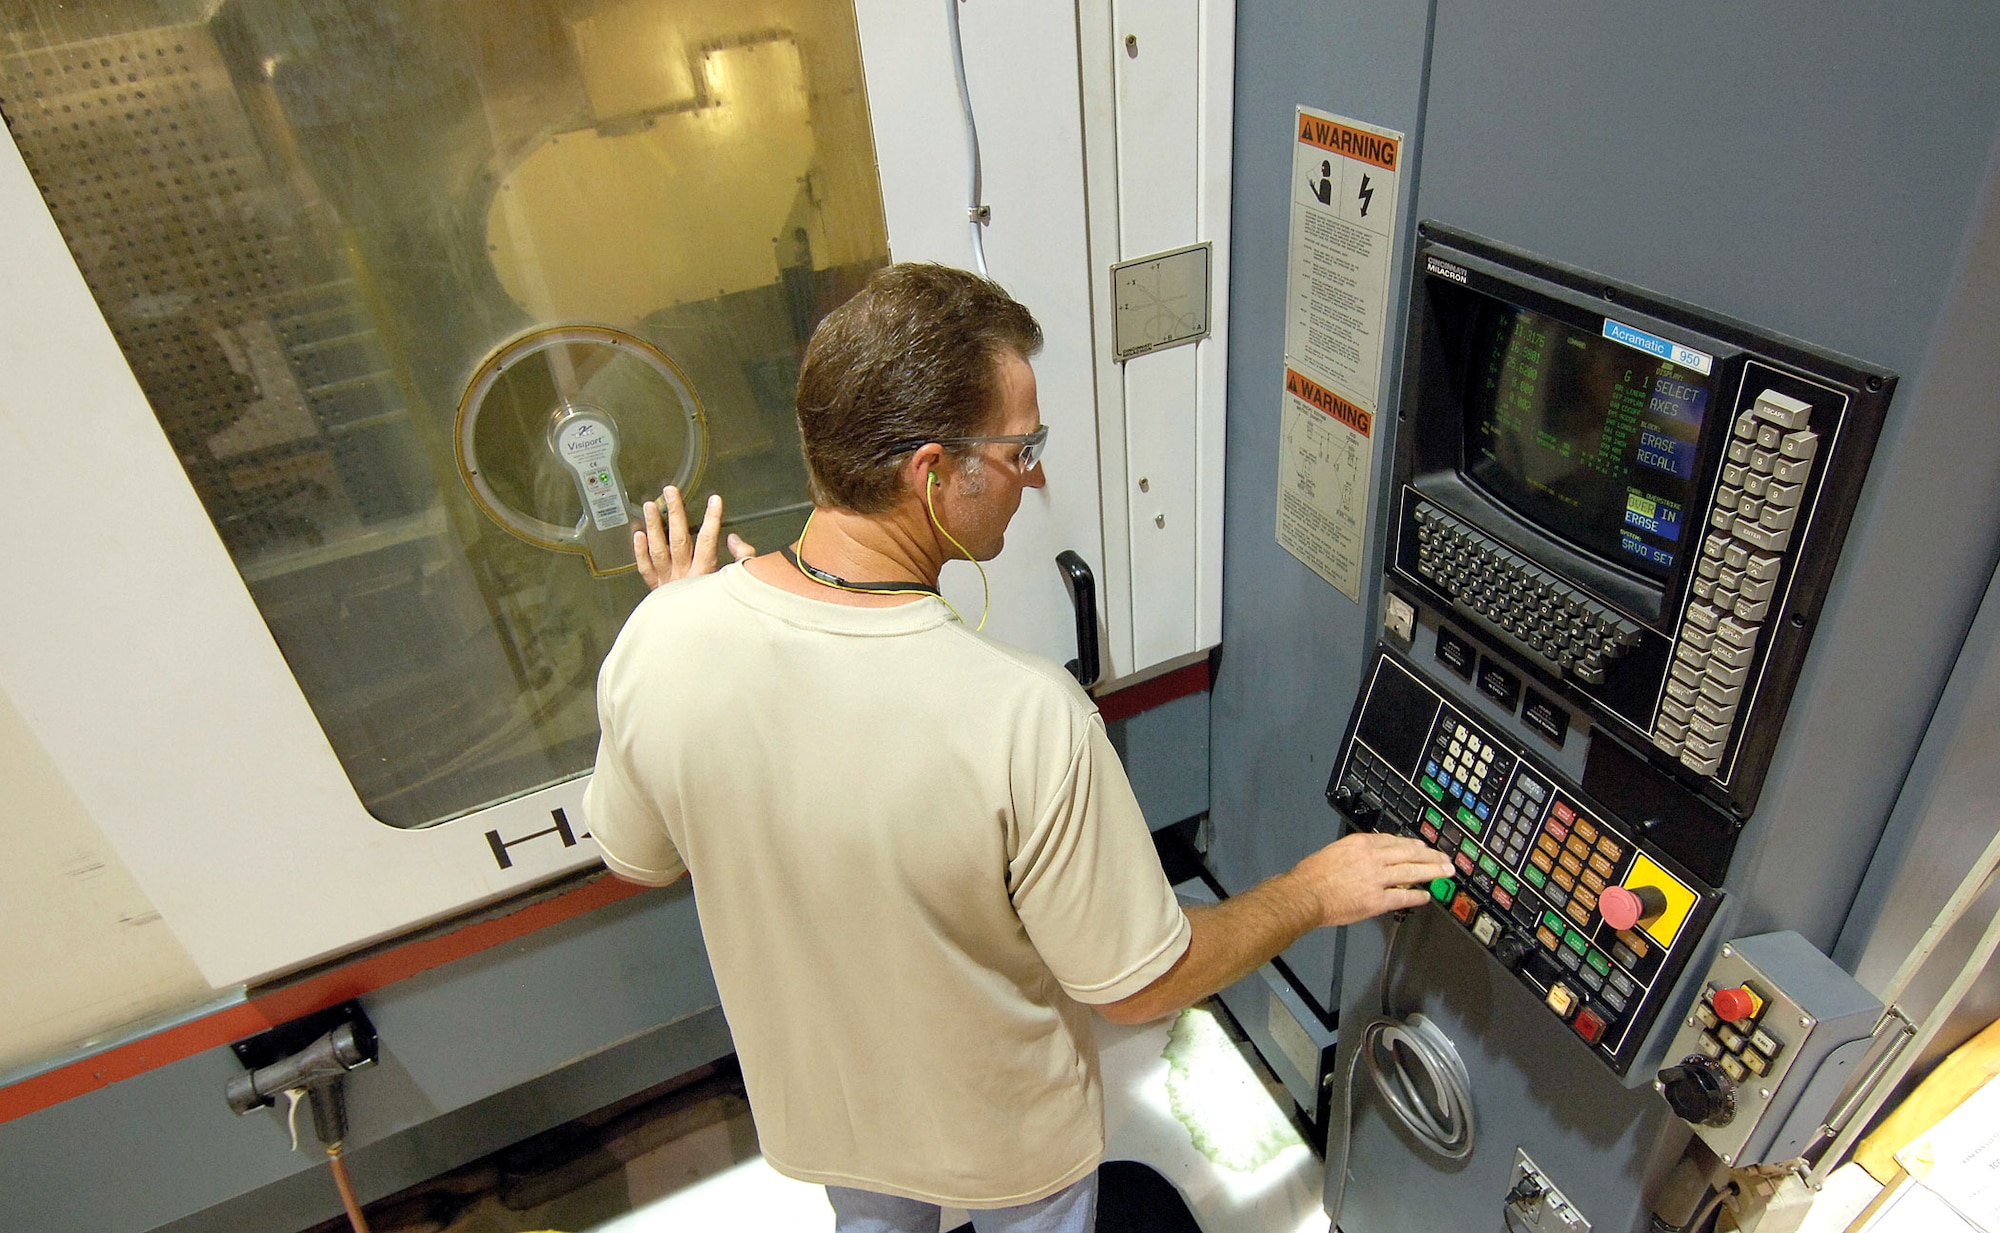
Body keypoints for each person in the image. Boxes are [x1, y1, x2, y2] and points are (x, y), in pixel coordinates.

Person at [583, 263, 1451, 1233]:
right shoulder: (1022, 716)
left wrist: (676, 617)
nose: (1033, 476)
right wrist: (1313, 892)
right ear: (930, 474)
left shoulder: (663, 636)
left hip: (827, 1121)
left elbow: (637, 853)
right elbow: (1142, 986)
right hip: (1005, 1147)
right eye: (1020, 448)